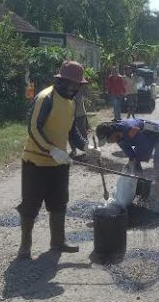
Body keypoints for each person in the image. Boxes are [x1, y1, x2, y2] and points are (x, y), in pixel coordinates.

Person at [17, 60, 101, 260]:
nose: (73, 88)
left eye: (76, 85)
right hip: (35, 162)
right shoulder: (46, 98)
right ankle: (25, 245)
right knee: (30, 204)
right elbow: (33, 128)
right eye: (70, 84)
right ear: (61, 81)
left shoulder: (71, 103)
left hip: (59, 163)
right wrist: (51, 149)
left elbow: (71, 131)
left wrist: (86, 147)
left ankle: (58, 241)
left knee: (59, 202)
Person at [96, 118, 159, 213]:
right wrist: (133, 162)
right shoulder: (118, 136)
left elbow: (144, 145)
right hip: (147, 138)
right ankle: (142, 193)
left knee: (158, 166)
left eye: (108, 140)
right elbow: (129, 152)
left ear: (112, 133)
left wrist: (135, 161)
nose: (109, 142)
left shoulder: (130, 129)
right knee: (135, 166)